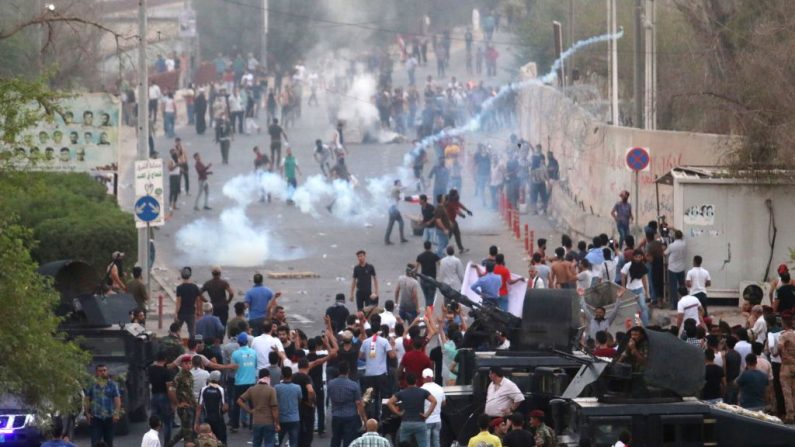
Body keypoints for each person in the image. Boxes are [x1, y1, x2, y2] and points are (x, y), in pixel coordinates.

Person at [387, 373, 437, 447]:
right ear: (416, 381)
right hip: (420, 422)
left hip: (406, 422)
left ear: (406, 382)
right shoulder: (423, 392)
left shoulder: (402, 393)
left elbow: (389, 402)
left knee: (404, 445)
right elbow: (434, 401)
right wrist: (426, 414)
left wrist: (398, 413)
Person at [327, 362, 367, 447]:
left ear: (338, 371)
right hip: (350, 416)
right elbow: (359, 404)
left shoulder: (331, 384)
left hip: (336, 415)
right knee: (348, 441)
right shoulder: (353, 385)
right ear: (348, 371)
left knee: (335, 439)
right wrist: (364, 419)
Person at [84, 364, 121, 447]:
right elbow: (86, 400)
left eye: (104, 370)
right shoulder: (91, 385)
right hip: (96, 418)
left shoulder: (113, 385)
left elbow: (117, 400)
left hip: (109, 417)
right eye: (100, 371)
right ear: (96, 373)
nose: (103, 372)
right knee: (95, 442)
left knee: (109, 442)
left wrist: (116, 413)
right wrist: (87, 413)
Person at [166, 356, 196, 447]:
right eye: (186, 364)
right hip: (184, 408)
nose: (188, 366)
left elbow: (189, 391)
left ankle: (168, 445)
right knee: (188, 433)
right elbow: (171, 389)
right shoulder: (179, 376)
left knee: (185, 430)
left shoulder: (189, 375)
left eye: (190, 363)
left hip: (191, 405)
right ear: (182, 365)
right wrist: (177, 403)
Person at [620, 250, 650, 326]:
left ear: (642, 257)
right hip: (630, 291)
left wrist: (646, 292)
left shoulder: (642, 266)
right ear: (633, 257)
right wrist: (623, 287)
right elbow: (623, 276)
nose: (638, 259)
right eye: (636, 257)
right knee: (635, 309)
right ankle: (637, 325)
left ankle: (646, 326)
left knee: (643, 307)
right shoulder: (628, 265)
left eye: (639, 257)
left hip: (639, 289)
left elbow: (644, 280)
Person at [196, 370, 228, 444]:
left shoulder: (203, 389)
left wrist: (197, 422)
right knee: (221, 442)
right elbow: (225, 407)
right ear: (219, 379)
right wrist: (222, 412)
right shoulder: (221, 390)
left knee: (207, 442)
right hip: (218, 420)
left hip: (207, 420)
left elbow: (199, 407)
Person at [274, 367, 302, 447]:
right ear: (291, 375)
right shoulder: (297, 387)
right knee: (293, 443)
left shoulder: (277, 388)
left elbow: (274, 402)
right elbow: (300, 400)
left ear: (282, 375)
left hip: (281, 418)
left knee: (277, 442)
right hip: (294, 418)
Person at [618, 326, 649, 397]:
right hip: (633, 372)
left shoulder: (645, 344)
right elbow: (623, 356)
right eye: (632, 335)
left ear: (642, 336)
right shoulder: (631, 342)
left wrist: (634, 349)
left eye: (636, 335)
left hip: (643, 374)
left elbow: (644, 362)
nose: (633, 337)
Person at [777, 311, 795, 423]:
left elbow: (779, 347)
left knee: (787, 391)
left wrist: (783, 356)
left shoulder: (784, 335)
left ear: (784, 323)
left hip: (786, 366)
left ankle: (790, 415)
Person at [421, 368, 445, 447]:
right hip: (437, 419)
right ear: (432, 377)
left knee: (426, 444)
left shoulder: (422, 389)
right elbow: (444, 402)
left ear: (423, 378)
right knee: (436, 443)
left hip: (426, 420)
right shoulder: (439, 388)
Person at [175, 267, 201, 338]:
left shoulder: (179, 288)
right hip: (191, 312)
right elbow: (198, 301)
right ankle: (193, 346)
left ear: (182, 276)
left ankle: (177, 343)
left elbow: (178, 302)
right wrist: (198, 312)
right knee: (192, 331)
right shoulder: (195, 287)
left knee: (176, 329)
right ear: (190, 276)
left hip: (181, 312)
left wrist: (176, 313)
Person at [665, 230, 687, 310]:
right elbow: (683, 236)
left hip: (672, 269)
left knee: (673, 287)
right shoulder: (684, 243)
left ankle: (674, 305)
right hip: (681, 268)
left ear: (674, 237)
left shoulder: (671, 245)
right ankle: (685, 303)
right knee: (682, 286)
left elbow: (665, 253)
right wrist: (673, 228)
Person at [416, 241, 441, 306]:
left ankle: (427, 310)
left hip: (423, 279)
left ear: (424, 247)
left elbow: (416, 268)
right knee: (431, 297)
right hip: (432, 279)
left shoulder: (420, 256)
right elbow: (440, 264)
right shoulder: (434, 256)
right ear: (431, 247)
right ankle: (428, 312)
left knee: (426, 297)